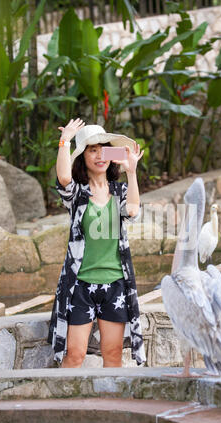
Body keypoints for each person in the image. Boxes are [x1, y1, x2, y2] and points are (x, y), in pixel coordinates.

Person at [47, 119, 146, 368]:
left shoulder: (120, 190)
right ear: (82, 157)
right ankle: (67, 406)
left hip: (115, 284)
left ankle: (111, 404)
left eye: (104, 149)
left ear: (112, 155)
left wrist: (132, 171)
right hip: (80, 285)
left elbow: (132, 210)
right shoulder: (78, 194)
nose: (100, 155)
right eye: (92, 150)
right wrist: (65, 141)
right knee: (75, 355)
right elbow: (62, 177)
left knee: (112, 355)